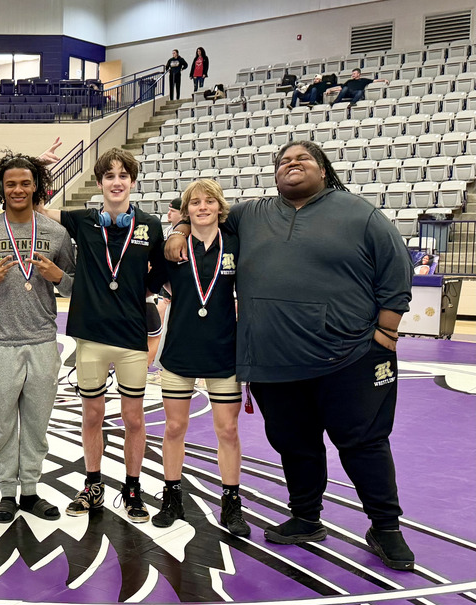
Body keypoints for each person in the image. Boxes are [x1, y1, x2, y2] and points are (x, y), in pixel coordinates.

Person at [164, 141, 415, 571]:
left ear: (324, 170)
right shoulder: (252, 213)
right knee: (295, 445)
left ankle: (385, 527)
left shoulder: (360, 214)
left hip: (350, 355)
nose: (291, 165)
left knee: (364, 444)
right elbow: (204, 212)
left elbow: (397, 271)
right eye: (283, 161)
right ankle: (305, 516)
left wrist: (386, 334)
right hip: (275, 360)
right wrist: (181, 230)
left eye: (302, 159)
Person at [39, 148, 167, 524]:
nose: (116, 181)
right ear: (99, 183)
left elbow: (158, 273)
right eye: (109, 175)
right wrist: (42, 168)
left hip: (131, 334)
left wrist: (133, 293)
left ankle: (132, 487)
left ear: (132, 181)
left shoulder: (149, 224)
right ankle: (93, 484)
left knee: (134, 418)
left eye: (123, 175)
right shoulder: (84, 220)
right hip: (90, 335)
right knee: (92, 414)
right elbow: (36, 208)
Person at [0, 153, 75, 523]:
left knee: (37, 423)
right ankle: (6, 492)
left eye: (25, 183)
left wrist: (59, 277)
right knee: (3, 423)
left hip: (43, 340)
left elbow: (77, 287)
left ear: (37, 186)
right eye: (11, 183)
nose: (18, 189)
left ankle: (30, 491)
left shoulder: (57, 233)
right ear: (0, 188)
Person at [152, 179, 249, 537]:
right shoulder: (173, 248)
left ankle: (232, 503)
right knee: (175, 427)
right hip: (180, 351)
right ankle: (172, 497)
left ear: (220, 207)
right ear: (186, 209)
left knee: (228, 430)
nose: (203, 207)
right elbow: (147, 284)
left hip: (224, 352)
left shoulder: (236, 245)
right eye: (195, 202)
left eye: (210, 201)